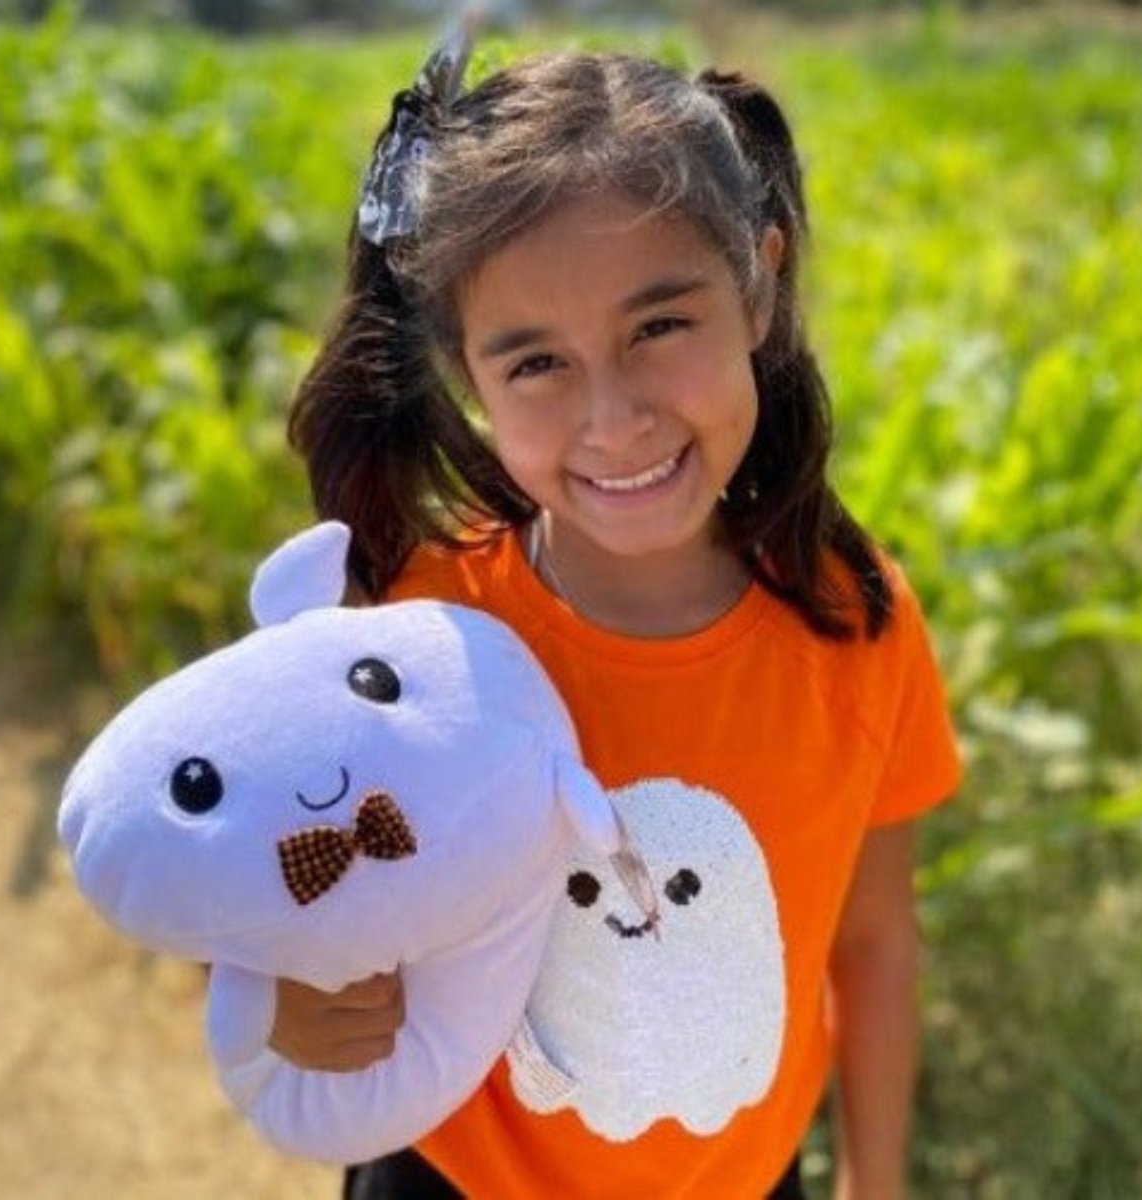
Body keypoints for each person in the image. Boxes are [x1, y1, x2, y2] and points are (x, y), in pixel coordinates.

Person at [270, 30, 961, 1200]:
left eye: (657, 327)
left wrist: (875, 1179)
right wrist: (294, 1003)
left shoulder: (859, 624)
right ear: (466, 376)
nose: (615, 419)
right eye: (536, 362)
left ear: (759, 284)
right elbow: (297, 893)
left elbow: (874, 940)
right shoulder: (413, 627)